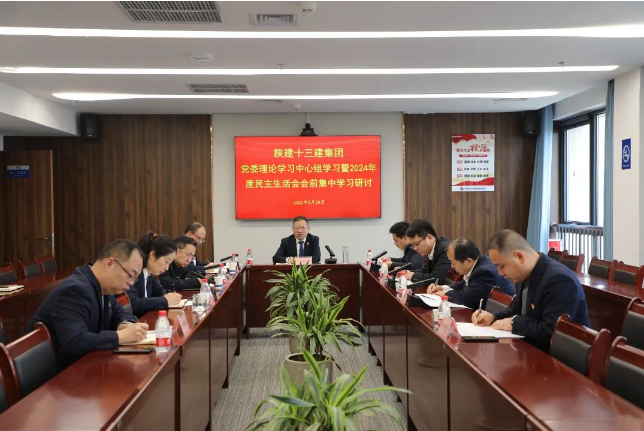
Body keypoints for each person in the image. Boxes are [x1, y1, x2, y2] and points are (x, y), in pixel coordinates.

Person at [29, 240, 149, 370]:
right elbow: (74, 341)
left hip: (85, 366)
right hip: (60, 375)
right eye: (130, 275)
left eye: (135, 279)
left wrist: (125, 324)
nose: (131, 283)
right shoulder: (75, 290)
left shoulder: (103, 286)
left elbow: (118, 311)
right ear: (109, 264)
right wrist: (121, 336)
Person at [472, 229, 590, 352]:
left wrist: (514, 323)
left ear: (519, 257)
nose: (500, 273)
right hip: (530, 349)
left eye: (501, 266)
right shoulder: (523, 274)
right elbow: (515, 311)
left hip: (557, 357)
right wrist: (493, 317)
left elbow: (551, 331)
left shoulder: (559, 280)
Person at [429, 237, 515, 309]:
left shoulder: (484, 272)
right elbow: (463, 284)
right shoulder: (479, 262)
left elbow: (465, 297)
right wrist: (443, 288)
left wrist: (445, 293)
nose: (452, 266)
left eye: (454, 263)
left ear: (468, 261)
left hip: (501, 317)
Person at [127, 232, 183, 318]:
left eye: (169, 263)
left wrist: (170, 295)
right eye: (166, 262)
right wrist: (165, 300)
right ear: (152, 255)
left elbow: (160, 291)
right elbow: (134, 304)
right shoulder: (133, 273)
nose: (167, 268)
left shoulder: (149, 274)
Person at [402, 219, 451, 284]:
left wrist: (413, 276)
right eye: (413, 246)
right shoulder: (431, 249)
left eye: (416, 244)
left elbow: (437, 278)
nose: (415, 249)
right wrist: (407, 273)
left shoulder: (445, 250)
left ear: (429, 238)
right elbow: (427, 272)